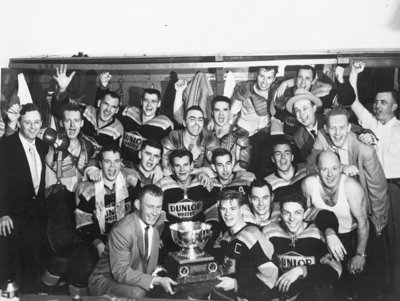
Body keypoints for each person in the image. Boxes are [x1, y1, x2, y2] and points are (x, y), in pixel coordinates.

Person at [345, 61, 400, 299]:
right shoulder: (370, 123)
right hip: (372, 188)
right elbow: (352, 101)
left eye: (383, 102)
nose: (378, 106)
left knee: (395, 238)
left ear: (395, 106)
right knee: (373, 237)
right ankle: (378, 286)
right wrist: (354, 74)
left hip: (396, 189)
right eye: (377, 102)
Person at [307, 107, 389, 236]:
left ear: (349, 128)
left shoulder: (365, 151)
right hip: (333, 208)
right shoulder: (322, 137)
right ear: (326, 129)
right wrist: (341, 167)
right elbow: (310, 169)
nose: (337, 133)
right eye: (333, 128)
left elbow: (377, 188)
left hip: (359, 208)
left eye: (341, 127)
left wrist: (378, 219)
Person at [70, 146, 139, 293]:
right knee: (84, 266)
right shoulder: (88, 189)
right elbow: (82, 224)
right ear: (100, 164)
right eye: (107, 162)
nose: (112, 167)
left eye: (116, 161)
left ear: (121, 163)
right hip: (98, 238)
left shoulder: (130, 183)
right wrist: (98, 244)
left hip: (123, 239)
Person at [88, 185, 176, 298]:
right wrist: (157, 280)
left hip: (132, 277)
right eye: (149, 206)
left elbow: (148, 264)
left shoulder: (156, 224)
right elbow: (120, 273)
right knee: (138, 293)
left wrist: (162, 274)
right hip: (104, 281)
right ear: (138, 205)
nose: (155, 212)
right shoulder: (122, 230)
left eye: (158, 207)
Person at [302, 150, 369, 299]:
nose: (330, 174)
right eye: (324, 169)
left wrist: (360, 254)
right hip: (322, 237)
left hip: (350, 238)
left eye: (334, 168)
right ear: (317, 170)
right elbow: (306, 217)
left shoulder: (351, 187)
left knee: (352, 287)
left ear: (340, 168)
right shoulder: (309, 185)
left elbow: (363, 223)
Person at [0, 104, 49, 290]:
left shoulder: (43, 146)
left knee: (34, 267)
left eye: (36, 122)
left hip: (36, 216)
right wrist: (2, 213)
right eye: (27, 122)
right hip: (12, 217)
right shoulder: (5, 146)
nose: (32, 127)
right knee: (11, 270)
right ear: (19, 123)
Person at [263, 187, 341, 301]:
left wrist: (301, 270)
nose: (292, 219)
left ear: (305, 213)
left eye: (297, 213)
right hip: (282, 295)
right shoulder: (270, 232)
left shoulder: (318, 234)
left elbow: (335, 271)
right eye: (286, 213)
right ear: (280, 214)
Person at [214, 190, 278, 301]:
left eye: (233, 209)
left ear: (242, 209)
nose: (227, 214)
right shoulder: (225, 237)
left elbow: (271, 274)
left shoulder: (252, 235)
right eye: (223, 209)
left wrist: (236, 284)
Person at [157, 149, 218, 258]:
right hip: (172, 241)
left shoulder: (203, 183)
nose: (182, 169)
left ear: (191, 166)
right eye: (177, 165)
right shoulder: (163, 185)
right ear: (172, 168)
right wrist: (159, 234)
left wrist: (207, 237)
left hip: (201, 241)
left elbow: (213, 214)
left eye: (185, 165)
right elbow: (160, 215)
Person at [50, 65, 124, 149]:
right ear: (99, 103)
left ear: (117, 110)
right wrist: (62, 89)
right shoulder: (86, 111)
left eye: (113, 107)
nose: (108, 110)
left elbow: (115, 156)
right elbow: (60, 110)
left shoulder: (117, 128)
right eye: (106, 104)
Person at [161, 105, 219, 174]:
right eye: (192, 119)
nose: (197, 123)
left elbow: (219, 168)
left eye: (200, 120)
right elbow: (166, 172)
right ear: (184, 123)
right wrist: (192, 159)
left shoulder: (208, 138)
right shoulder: (173, 139)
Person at [210, 96, 251, 170]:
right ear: (212, 113)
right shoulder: (207, 133)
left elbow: (243, 166)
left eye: (225, 110)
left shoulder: (240, 134)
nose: (221, 114)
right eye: (217, 110)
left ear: (229, 112)